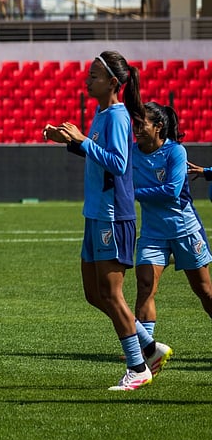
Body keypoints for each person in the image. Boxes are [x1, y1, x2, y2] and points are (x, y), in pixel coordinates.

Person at [43, 51, 169, 391]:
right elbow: (98, 156)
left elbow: (118, 162)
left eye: (94, 75)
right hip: (95, 214)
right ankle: (150, 347)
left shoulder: (117, 116)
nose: (87, 80)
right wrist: (70, 141)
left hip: (113, 216)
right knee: (94, 293)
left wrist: (82, 140)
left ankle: (137, 367)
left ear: (113, 82)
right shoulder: (101, 114)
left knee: (112, 294)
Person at [133, 102, 211, 337]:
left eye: (141, 122)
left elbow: (172, 191)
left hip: (185, 230)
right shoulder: (131, 152)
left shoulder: (176, 151)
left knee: (204, 290)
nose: (136, 127)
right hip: (152, 233)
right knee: (145, 286)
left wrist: (132, 193)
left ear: (158, 126)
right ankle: (145, 347)